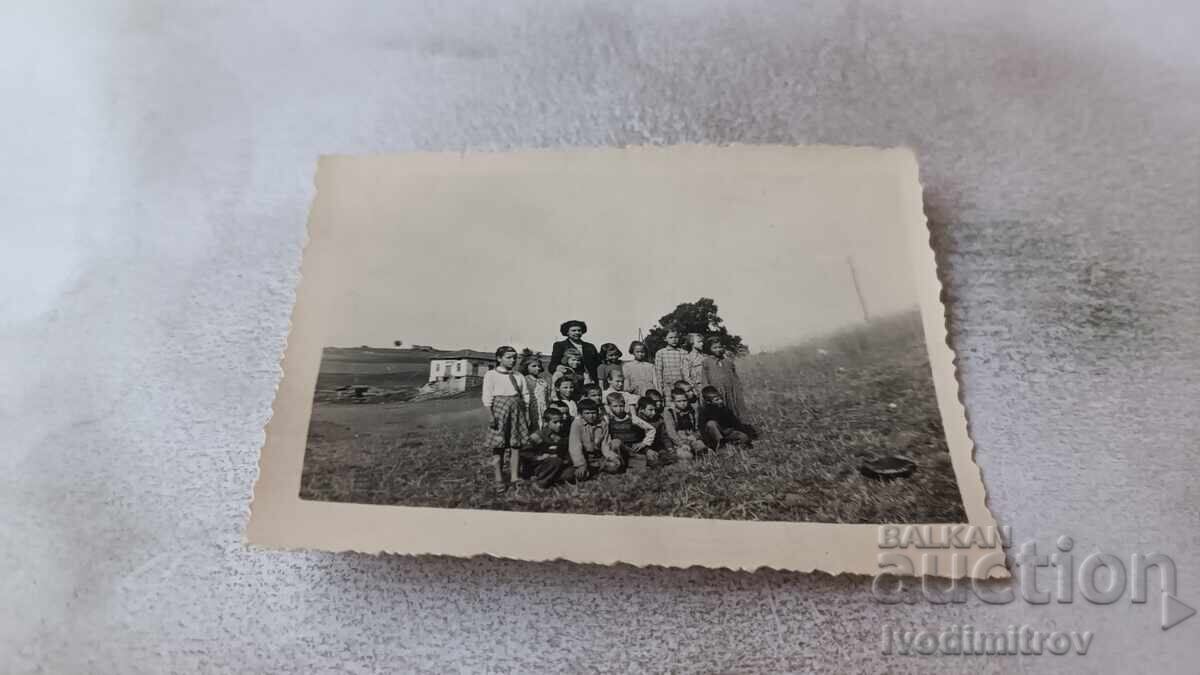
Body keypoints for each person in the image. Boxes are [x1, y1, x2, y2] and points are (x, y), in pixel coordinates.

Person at [481, 345, 531, 491]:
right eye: (508, 357)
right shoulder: (491, 375)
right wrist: (490, 415)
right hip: (499, 411)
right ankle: (499, 478)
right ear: (499, 358)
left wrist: (526, 413)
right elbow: (487, 396)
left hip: (517, 411)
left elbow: (525, 395)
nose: (512, 360)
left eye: (515, 357)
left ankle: (515, 477)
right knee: (499, 446)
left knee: (516, 446)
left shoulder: (518, 376)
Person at [519, 409, 572, 488]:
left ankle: (549, 478)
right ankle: (539, 483)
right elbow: (524, 452)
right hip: (539, 465)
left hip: (556, 465)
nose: (559, 425)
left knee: (571, 472)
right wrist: (539, 457)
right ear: (546, 422)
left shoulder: (563, 435)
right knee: (555, 461)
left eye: (561, 422)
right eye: (555, 422)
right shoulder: (538, 435)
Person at [568, 399, 621, 476]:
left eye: (593, 413)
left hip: (598, 456)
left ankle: (598, 468)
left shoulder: (603, 424)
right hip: (585, 457)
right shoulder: (576, 424)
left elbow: (605, 444)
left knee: (615, 465)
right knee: (580, 475)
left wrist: (612, 457)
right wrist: (580, 464)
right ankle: (589, 469)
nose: (591, 416)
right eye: (587, 413)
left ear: (597, 412)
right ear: (581, 414)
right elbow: (575, 446)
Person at [605, 392, 658, 470]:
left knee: (652, 460)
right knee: (616, 443)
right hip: (618, 449)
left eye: (621, 406)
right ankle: (619, 462)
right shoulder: (608, 419)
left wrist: (644, 443)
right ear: (609, 406)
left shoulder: (632, 418)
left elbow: (651, 429)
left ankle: (631, 461)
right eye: (615, 406)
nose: (619, 409)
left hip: (631, 448)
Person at [700, 337, 747, 419]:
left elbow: (735, 377)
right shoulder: (706, 362)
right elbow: (705, 380)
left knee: (732, 411)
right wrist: (709, 393)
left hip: (730, 392)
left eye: (720, 347)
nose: (718, 349)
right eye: (715, 348)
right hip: (716, 393)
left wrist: (738, 389)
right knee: (719, 413)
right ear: (709, 349)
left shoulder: (728, 361)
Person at [698, 385, 754, 451]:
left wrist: (742, 432)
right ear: (708, 402)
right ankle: (721, 446)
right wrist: (709, 444)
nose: (721, 401)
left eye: (721, 398)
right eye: (717, 400)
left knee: (744, 438)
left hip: (726, 432)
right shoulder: (704, 411)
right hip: (714, 436)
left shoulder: (724, 408)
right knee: (711, 424)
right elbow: (702, 429)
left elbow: (735, 422)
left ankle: (733, 446)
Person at [663, 386, 709, 460]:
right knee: (686, 456)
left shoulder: (692, 410)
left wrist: (695, 436)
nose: (682, 403)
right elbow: (671, 432)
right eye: (679, 401)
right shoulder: (669, 412)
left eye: (684, 400)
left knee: (703, 450)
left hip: (692, 438)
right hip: (678, 441)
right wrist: (682, 443)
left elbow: (698, 427)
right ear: (673, 402)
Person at [548, 320, 600, 385]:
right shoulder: (560, 345)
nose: (577, 332)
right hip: (570, 381)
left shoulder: (590, 346)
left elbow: (597, 364)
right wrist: (558, 368)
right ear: (567, 332)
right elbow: (552, 366)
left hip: (589, 381)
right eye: (573, 330)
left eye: (579, 330)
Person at [653, 329, 689, 393]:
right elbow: (658, 372)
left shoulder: (684, 352)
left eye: (676, 337)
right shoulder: (660, 353)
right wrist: (660, 388)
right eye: (671, 338)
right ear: (665, 339)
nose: (674, 340)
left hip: (682, 386)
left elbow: (686, 372)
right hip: (667, 386)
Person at [523, 358, 552, 430]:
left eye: (539, 366)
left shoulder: (543, 381)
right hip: (531, 408)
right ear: (526, 367)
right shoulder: (524, 380)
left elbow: (547, 396)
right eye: (534, 366)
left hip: (543, 407)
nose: (538, 368)